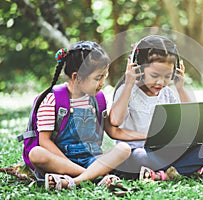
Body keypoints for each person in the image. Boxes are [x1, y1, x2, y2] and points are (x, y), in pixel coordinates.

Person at [28, 41, 146, 190]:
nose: (102, 82)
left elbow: (113, 131)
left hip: (93, 160)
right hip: (61, 161)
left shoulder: (98, 98)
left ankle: (73, 181)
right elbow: (44, 141)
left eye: (105, 76)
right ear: (77, 77)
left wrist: (147, 135)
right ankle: (94, 177)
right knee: (36, 153)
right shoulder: (52, 99)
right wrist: (68, 165)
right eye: (98, 78)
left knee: (123, 149)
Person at [110, 35, 203, 180]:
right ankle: (182, 169)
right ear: (138, 68)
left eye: (167, 76)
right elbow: (115, 120)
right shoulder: (126, 91)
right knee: (139, 158)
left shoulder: (167, 93)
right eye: (154, 75)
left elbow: (191, 119)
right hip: (137, 152)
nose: (160, 82)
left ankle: (161, 174)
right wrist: (129, 83)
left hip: (163, 151)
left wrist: (181, 88)